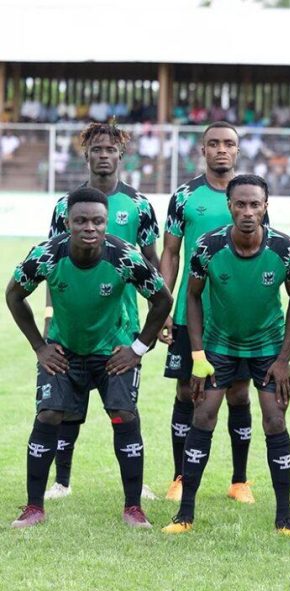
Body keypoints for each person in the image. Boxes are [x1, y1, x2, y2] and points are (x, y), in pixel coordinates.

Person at [6, 187, 172, 528]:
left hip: (113, 353)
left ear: (106, 222)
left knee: (124, 415)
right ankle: (34, 507)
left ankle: (133, 508)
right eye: (81, 221)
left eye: (97, 221)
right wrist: (39, 346)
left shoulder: (125, 256)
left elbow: (162, 300)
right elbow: (14, 295)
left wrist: (138, 348)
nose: (89, 228)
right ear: (67, 222)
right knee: (48, 414)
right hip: (63, 352)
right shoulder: (46, 255)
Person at [162, 175, 290, 536]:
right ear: (229, 207)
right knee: (203, 415)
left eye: (255, 204)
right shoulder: (208, 247)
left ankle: (285, 519)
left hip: (268, 349)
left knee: (275, 421)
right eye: (240, 204)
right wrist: (198, 354)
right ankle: (184, 514)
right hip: (220, 347)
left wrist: (284, 359)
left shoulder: (284, 249)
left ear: (266, 206)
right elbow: (192, 296)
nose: (247, 211)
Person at [44, 122, 160, 501]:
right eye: (97, 149)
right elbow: (51, 265)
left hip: (122, 325)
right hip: (72, 322)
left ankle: (135, 484)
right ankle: (61, 480)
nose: (104, 155)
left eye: (110, 149)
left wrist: (158, 320)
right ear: (86, 155)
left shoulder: (140, 205)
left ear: (121, 155)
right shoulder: (65, 206)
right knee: (65, 407)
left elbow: (152, 262)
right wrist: (49, 318)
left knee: (124, 406)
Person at [159, 122, 257, 504]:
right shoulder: (185, 197)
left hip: (236, 317)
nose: (221, 149)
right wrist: (163, 305)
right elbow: (170, 253)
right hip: (192, 313)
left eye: (228, 143)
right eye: (213, 143)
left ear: (237, 151)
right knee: (187, 390)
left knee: (238, 392)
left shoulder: (250, 195)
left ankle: (240, 480)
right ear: (203, 150)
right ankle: (180, 477)